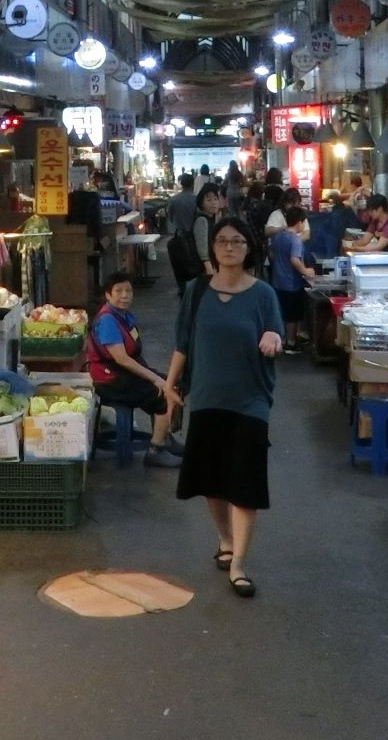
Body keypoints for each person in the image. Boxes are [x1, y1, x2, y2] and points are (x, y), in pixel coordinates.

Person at [165, 215, 284, 597]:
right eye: (222, 241)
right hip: (207, 396)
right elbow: (183, 343)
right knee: (212, 481)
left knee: (245, 484)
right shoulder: (196, 290)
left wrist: (273, 338)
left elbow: (275, 334)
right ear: (213, 248)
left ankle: (238, 565)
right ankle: (225, 539)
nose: (229, 247)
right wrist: (169, 386)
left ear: (249, 248)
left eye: (237, 241)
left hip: (251, 399)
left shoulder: (263, 294)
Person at [85, 273, 182, 466]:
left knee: (174, 384)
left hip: (124, 375)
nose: (125, 295)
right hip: (110, 381)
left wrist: (159, 378)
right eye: (118, 291)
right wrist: (155, 379)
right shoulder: (107, 321)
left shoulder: (123, 315)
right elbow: (122, 359)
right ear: (108, 295)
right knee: (163, 393)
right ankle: (155, 450)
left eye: (128, 291)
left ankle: (165, 436)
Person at [268, 205, 315, 351]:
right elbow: (294, 259)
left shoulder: (278, 236)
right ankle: (291, 343)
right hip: (291, 283)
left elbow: (272, 254)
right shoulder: (295, 240)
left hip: (277, 281)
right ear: (299, 223)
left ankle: (284, 339)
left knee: (283, 312)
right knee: (293, 316)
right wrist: (306, 271)